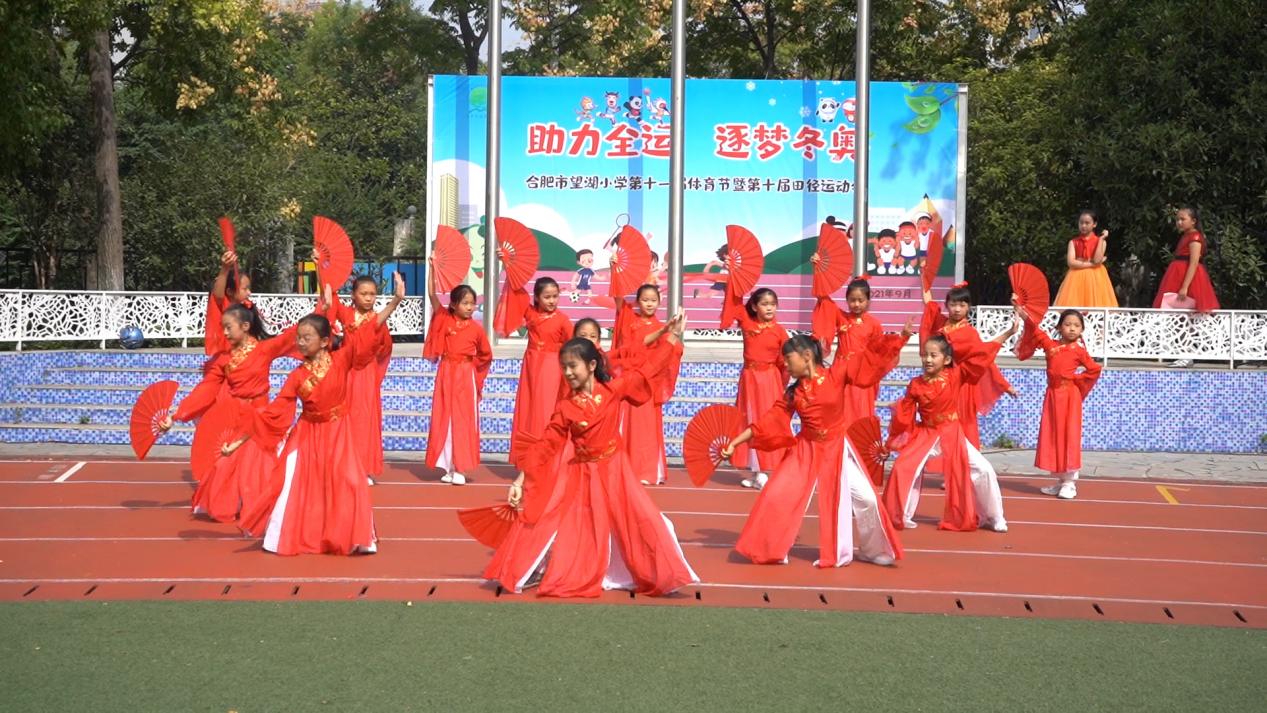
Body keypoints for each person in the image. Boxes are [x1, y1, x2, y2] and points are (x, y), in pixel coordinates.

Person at [485, 313, 698, 597]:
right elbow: (546, 445)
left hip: (615, 468)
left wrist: (673, 335)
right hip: (582, 472)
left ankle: (659, 570)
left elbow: (648, 369)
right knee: (564, 522)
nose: (568, 373)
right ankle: (539, 567)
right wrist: (520, 480)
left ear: (592, 364)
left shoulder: (612, 389)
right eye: (564, 368)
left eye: (572, 366)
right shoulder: (565, 407)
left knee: (642, 517)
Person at [230, 277, 404, 555]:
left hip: (339, 432)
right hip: (307, 435)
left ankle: (358, 537)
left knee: (350, 481)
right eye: (298, 338)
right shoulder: (297, 376)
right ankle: (280, 537)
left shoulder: (342, 359)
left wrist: (394, 302)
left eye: (306, 338)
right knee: (294, 484)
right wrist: (240, 440)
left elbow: (369, 332)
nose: (299, 343)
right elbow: (274, 411)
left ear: (324, 341)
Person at [722, 327, 911, 568]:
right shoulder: (793, 393)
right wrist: (735, 442)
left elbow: (869, 363)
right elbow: (767, 422)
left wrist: (899, 339)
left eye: (788, 359)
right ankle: (770, 549)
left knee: (868, 499)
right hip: (806, 450)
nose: (786, 366)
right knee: (775, 496)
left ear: (806, 357)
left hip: (836, 448)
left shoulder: (837, 373)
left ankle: (871, 550)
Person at [159, 304, 297, 531]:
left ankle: (261, 509)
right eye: (222, 328)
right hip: (235, 416)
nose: (224, 333)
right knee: (226, 464)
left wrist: (324, 308)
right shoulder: (224, 359)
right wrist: (176, 414)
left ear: (245, 326)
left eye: (228, 327)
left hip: (259, 416)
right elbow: (205, 389)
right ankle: (237, 505)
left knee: (259, 465)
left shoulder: (264, 350)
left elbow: (290, 336)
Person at [882, 335, 1010, 533]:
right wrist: (892, 442)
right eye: (925, 355)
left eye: (934, 355)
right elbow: (905, 414)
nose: (928, 360)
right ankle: (900, 515)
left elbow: (982, 355)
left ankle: (993, 516)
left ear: (947, 360)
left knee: (984, 469)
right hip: (926, 434)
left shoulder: (956, 375)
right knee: (902, 468)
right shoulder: (916, 384)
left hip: (952, 433)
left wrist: (1008, 333)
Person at [1015, 304, 1102, 500]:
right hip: (1053, 396)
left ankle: (1070, 482)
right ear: (1059, 327)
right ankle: (1061, 480)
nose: (1072, 328)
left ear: (1081, 330)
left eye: (1077, 325)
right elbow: (1036, 331)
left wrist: (1076, 381)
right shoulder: (1051, 346)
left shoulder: (1079, 351)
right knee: (1054, 435)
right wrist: (1022, 312)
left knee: (1068, 436)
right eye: (1068, 324)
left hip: (1070, 398)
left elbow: (1094, 369)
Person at [920, 283, 1019, 449]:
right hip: (939, 383)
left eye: (962, 305)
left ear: (968, 307)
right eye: (953, 304)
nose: (957, 309)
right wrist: (925, 277)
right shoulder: (941, 323)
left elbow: (984, 358)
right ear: (947, 305)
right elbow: (929, 304)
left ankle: (965, 464)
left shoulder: (969, 333)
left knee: (961, 425)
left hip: (960, 387)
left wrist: (1004, 385)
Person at [324, 274, 399, 486]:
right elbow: (330, 298)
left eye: (372, 294)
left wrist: (395, 300)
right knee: (344, 417)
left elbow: (384, 347)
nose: (368, 298)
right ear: (354, 295)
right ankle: (343, 466)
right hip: (346, 373)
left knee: (365, 421)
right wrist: (322, 270)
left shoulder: (377, 320)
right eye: (363, 293)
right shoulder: (347, 315)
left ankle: (364, 468)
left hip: (366, 375)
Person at [423, 259, 492, 485]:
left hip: (465, 375)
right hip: (446, 372)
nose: (470, 307)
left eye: (472, 303)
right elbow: (432, 294)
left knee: (463, 421)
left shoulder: (476, 329)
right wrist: (433, 267)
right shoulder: (444, 318)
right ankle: (449, 466)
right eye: (465, 303)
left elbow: (486, 354)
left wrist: (474, 372)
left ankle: (461, 467)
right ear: (453, 305)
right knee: (446, 418)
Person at [612, 284, 682, 485]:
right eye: (645, 299)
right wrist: (614, 268)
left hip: (648, 383)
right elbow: (617, 296)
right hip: (627, 381)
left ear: (659, 302)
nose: (649, 303)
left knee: (646, 430)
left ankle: (646, 470)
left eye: (653, 300)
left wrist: (674, 338)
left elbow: (670, 352)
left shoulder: (663, 327)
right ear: (637, 301)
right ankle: (623, 469)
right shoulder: (628, 318)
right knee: (624, 427)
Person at [726, 288, 790, 490]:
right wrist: (732, 276)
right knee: (749, 421)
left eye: (772, 303)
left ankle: (764, 470)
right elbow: (735, 303)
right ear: (754, 306)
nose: (769, 307)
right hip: (749, 380)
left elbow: (785, 362)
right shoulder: (747, 323)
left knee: (765, 423)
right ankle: (755, 470)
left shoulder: (780, 331)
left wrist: (781, 383)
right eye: (764, 303)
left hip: (770, 381)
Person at [508, 277, 573, 469]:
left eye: (555, 296)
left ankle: (547, 458)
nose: (552, 301)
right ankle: (528, 456)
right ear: (536, 298)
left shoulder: (562, 320)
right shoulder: (530, 313)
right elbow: (515, 295)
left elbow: (572, 345)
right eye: (547, 297)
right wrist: (507, 263)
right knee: (528, 410)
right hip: (531, 367)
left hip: (552, 368)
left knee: (545, 412)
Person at [1153, 206, 1220, 368]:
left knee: (1187, 317)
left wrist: (1184, 286)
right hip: (1177, 274)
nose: (1179, 222)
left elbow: (1194, 262)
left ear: (1194, 221)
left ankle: (1187, 354)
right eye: (1178, 219)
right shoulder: (1186, 236)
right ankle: (1182, 352)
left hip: (1189, 278)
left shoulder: (1195, 237)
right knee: (1179, 317)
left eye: (1183, 219)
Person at [1054, 210, 1118, 308]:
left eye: (1087, 223)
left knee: (1097, 304)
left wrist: (1101, 239)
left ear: (1094, 224)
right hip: (1076, 276)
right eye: (1081, 223)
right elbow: (1071, 263)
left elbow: (1096, 260)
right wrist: (1092, 264)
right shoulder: (1073, 242)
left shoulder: (1100, 242)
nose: (1083, 226)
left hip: (1096, 277)